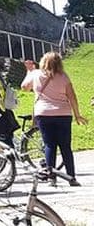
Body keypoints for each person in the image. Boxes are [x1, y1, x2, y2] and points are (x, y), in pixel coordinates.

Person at [21, 53, 87, 186]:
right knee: (65, 147)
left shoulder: (36, 74)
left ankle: (52, 177)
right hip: (63, 114)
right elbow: (72, 97)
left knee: (49, 145)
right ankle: (71, 177)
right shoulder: (64, 77)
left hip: (43, 114)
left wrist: (29, 72)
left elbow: (24, 87)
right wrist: (77, 114)